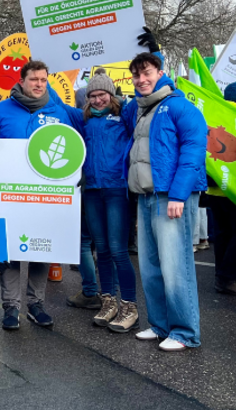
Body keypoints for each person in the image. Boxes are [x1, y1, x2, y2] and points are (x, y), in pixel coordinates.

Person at [0, 60, 83, 330]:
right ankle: (11, 307)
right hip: (11, 195)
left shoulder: (60, 111)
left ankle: (36, 304)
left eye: (43, 80)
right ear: (21, 81)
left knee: (41, 248)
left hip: (46, 195)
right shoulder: (1, 110)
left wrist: (79, 170)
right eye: (34, 79)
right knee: (10, 250)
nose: (38, 84)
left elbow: (80, 143)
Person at [125, 49, 207, 351]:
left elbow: (194, 149)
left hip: (170, 197)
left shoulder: (179, 107)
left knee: (175, 267)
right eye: (136, 74)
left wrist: (178, 195)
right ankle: (160, 325)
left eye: (147, 73)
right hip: (146, 197)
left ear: (161, 73)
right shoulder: (140, 109)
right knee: (150, 267)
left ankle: (185, 332)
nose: (141, 79)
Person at [72, 72, 139, 333]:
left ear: (111, 95)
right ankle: (108, 301)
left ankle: (129, 306)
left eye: (102, 95)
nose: (98, 100)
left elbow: (147, 89)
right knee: (101, 249)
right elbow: (55, 104)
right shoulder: (84, 120)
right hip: (92, 191)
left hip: (116, 189)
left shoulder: (124, 115)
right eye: (93, 96)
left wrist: (156, 53)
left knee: (118, 250)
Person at [207, 82, 236, 296]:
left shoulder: (213, 114)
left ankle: (223, 275)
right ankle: (226, 276)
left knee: (222, 233)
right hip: (235, 188)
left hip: (214, 187)